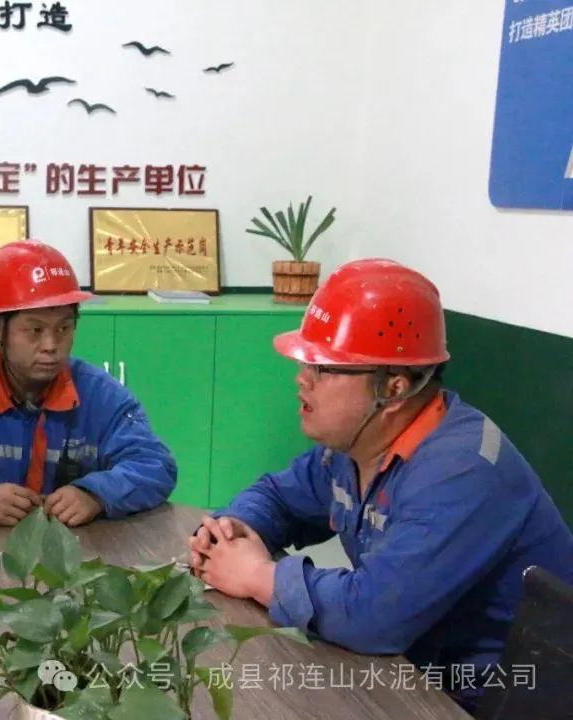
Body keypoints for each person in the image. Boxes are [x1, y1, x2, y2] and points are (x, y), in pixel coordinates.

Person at [188, 258, 573, 710]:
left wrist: (257, 575)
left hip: (499, 696)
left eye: (323, 368)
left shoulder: (464, 471)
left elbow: (373, 614)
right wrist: (235, 528)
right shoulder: (356, 444)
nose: (302, 379)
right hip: (417, 666)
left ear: (393, 389)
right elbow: (279, 495)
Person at [0, 240, 177, 527]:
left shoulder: (102, 396)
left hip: (74, 548)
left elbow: (155, 465)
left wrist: (96, 494)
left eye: (63, 328)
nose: (51, 345)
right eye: (34, 330)